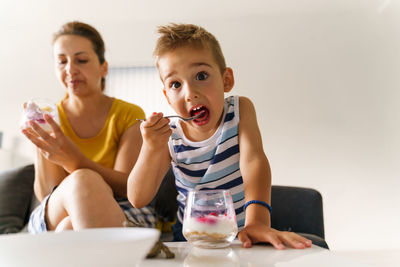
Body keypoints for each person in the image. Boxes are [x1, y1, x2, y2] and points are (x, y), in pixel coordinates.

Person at [127, 23, 312, 249]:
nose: (190, 93)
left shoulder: (239, 110)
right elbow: (137, 198)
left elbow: (253, 161)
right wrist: (150, 148)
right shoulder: (171, 136)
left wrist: (258, 222)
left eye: (201, 76)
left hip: (243, 234)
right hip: (191, 239)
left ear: (226, 80)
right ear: (167, 96)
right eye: (176, 84)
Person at [21, 21, 155, 233]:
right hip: (57, 210)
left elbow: (128, 189)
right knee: (81, 183)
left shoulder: (129, 114)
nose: (70, 70)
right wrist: (41, 146)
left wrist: (77, 161)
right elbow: (49, 192)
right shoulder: (48, 118)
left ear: (104, 67)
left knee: (69, 227)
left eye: (81, 60)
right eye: (61, 62)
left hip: (119, 207)